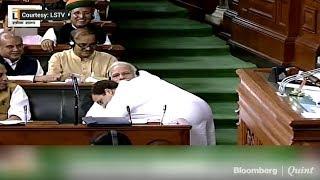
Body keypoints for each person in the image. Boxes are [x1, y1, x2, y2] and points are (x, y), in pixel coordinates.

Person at [86, 62, 216, 146]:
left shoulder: (125, 88)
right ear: (109, 80)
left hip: (185, 113)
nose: (121, 78)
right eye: (116, 75)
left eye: (125, 73)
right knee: (206, 147)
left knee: (192, 155)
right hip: (203, 106)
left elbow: (109, 118)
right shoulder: (148, 78)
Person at [47, 28, 117, 81]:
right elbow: (52, 80)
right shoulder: (59, 58)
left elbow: (117, 81)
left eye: (92, 45)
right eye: (83, 45)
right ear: (72, 43)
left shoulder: (109, 59)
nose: (88, 48)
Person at [41, 0, 110, 52]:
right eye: (77, 13)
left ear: (92, 15)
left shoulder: (100, 31)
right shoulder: (55, 31)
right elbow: (46, 43)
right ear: (69, 14)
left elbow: (108, 51)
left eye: (86, 13)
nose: (81, 16)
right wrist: (47, 41)